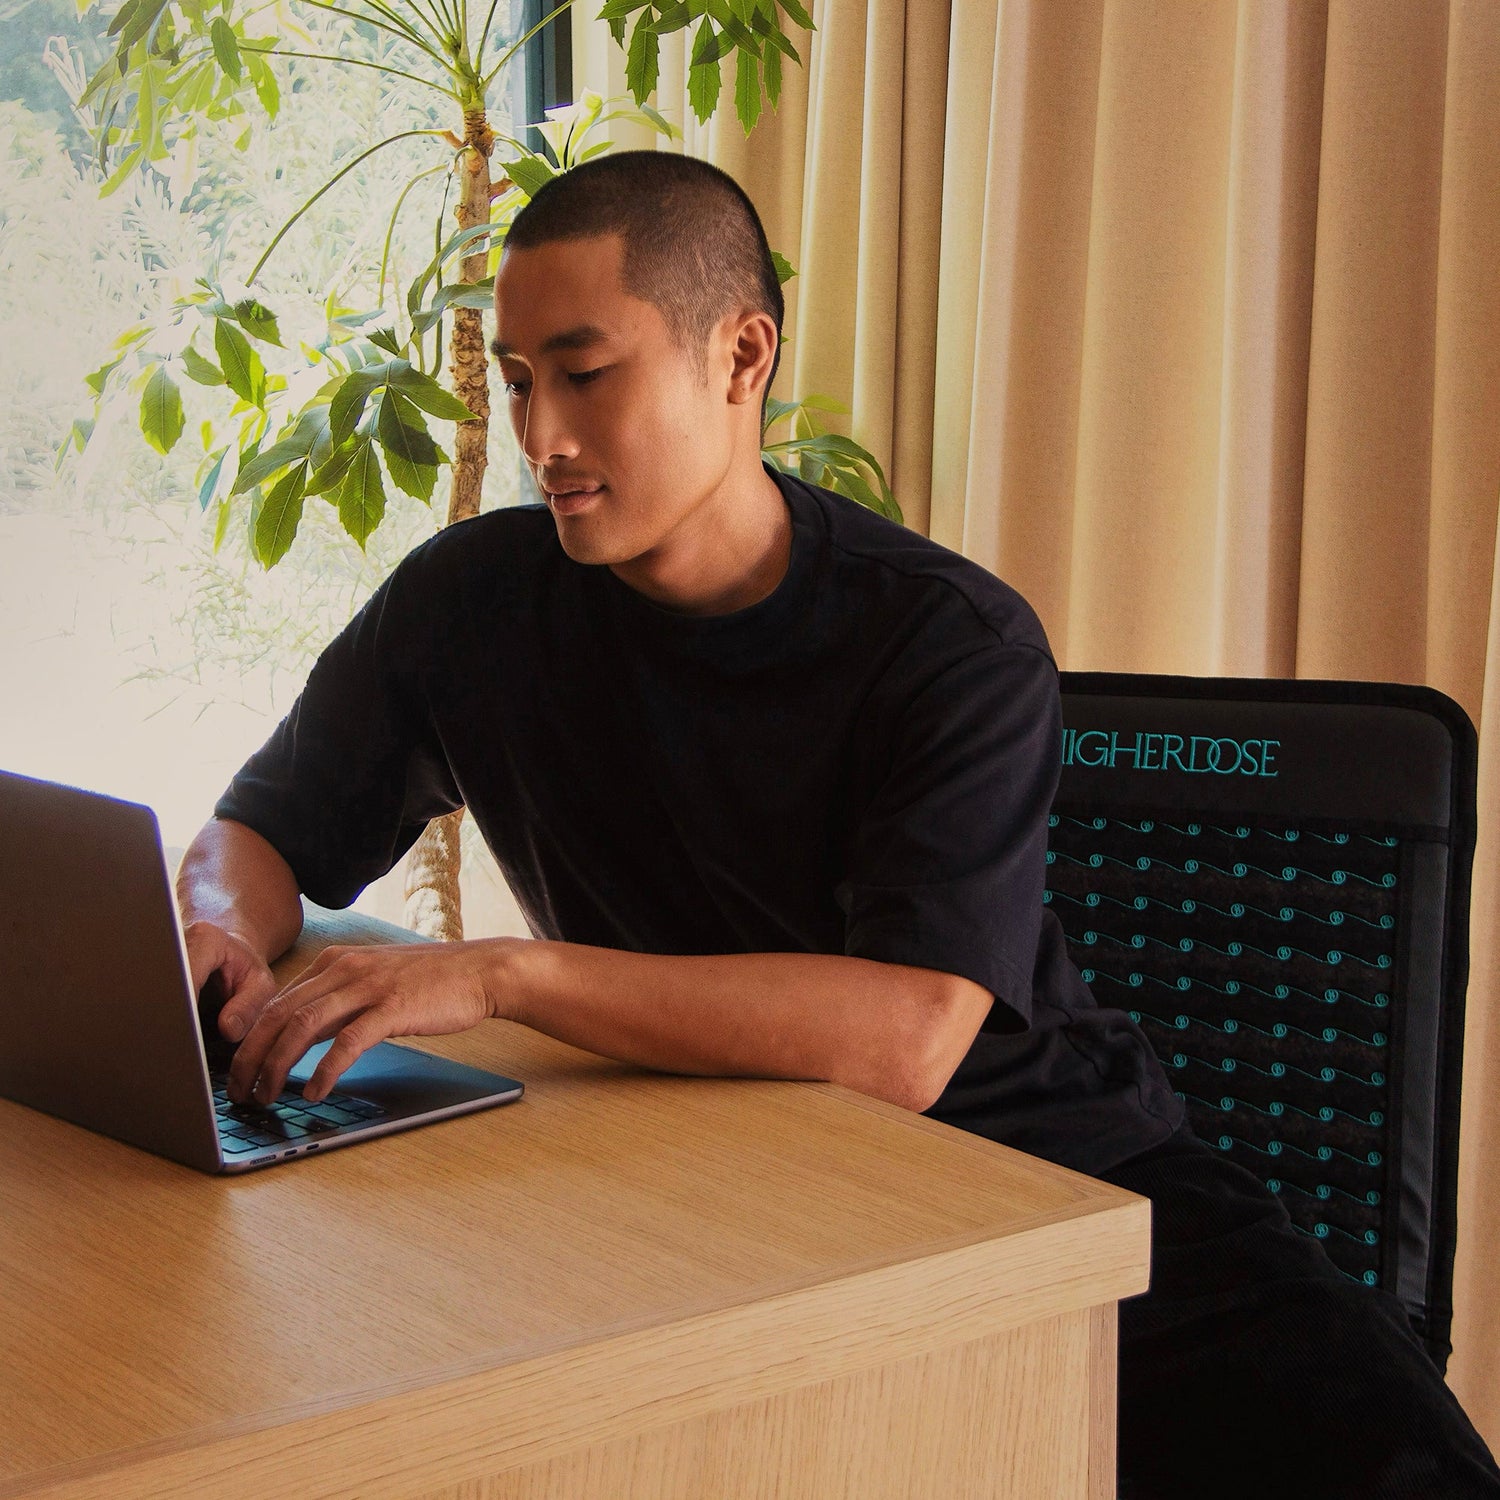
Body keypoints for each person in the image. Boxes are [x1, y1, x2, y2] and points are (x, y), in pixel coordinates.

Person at [176, 150, 1500, 1498]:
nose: (542, 437)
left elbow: (905, 1039)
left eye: (585, 373)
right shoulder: (467, 605)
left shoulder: (948, 642)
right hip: (711, 1201)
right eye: (518, 381)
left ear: (740, 357)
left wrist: (501, 973)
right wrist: (218, 928)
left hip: (1044, 1194)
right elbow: (263, 828)